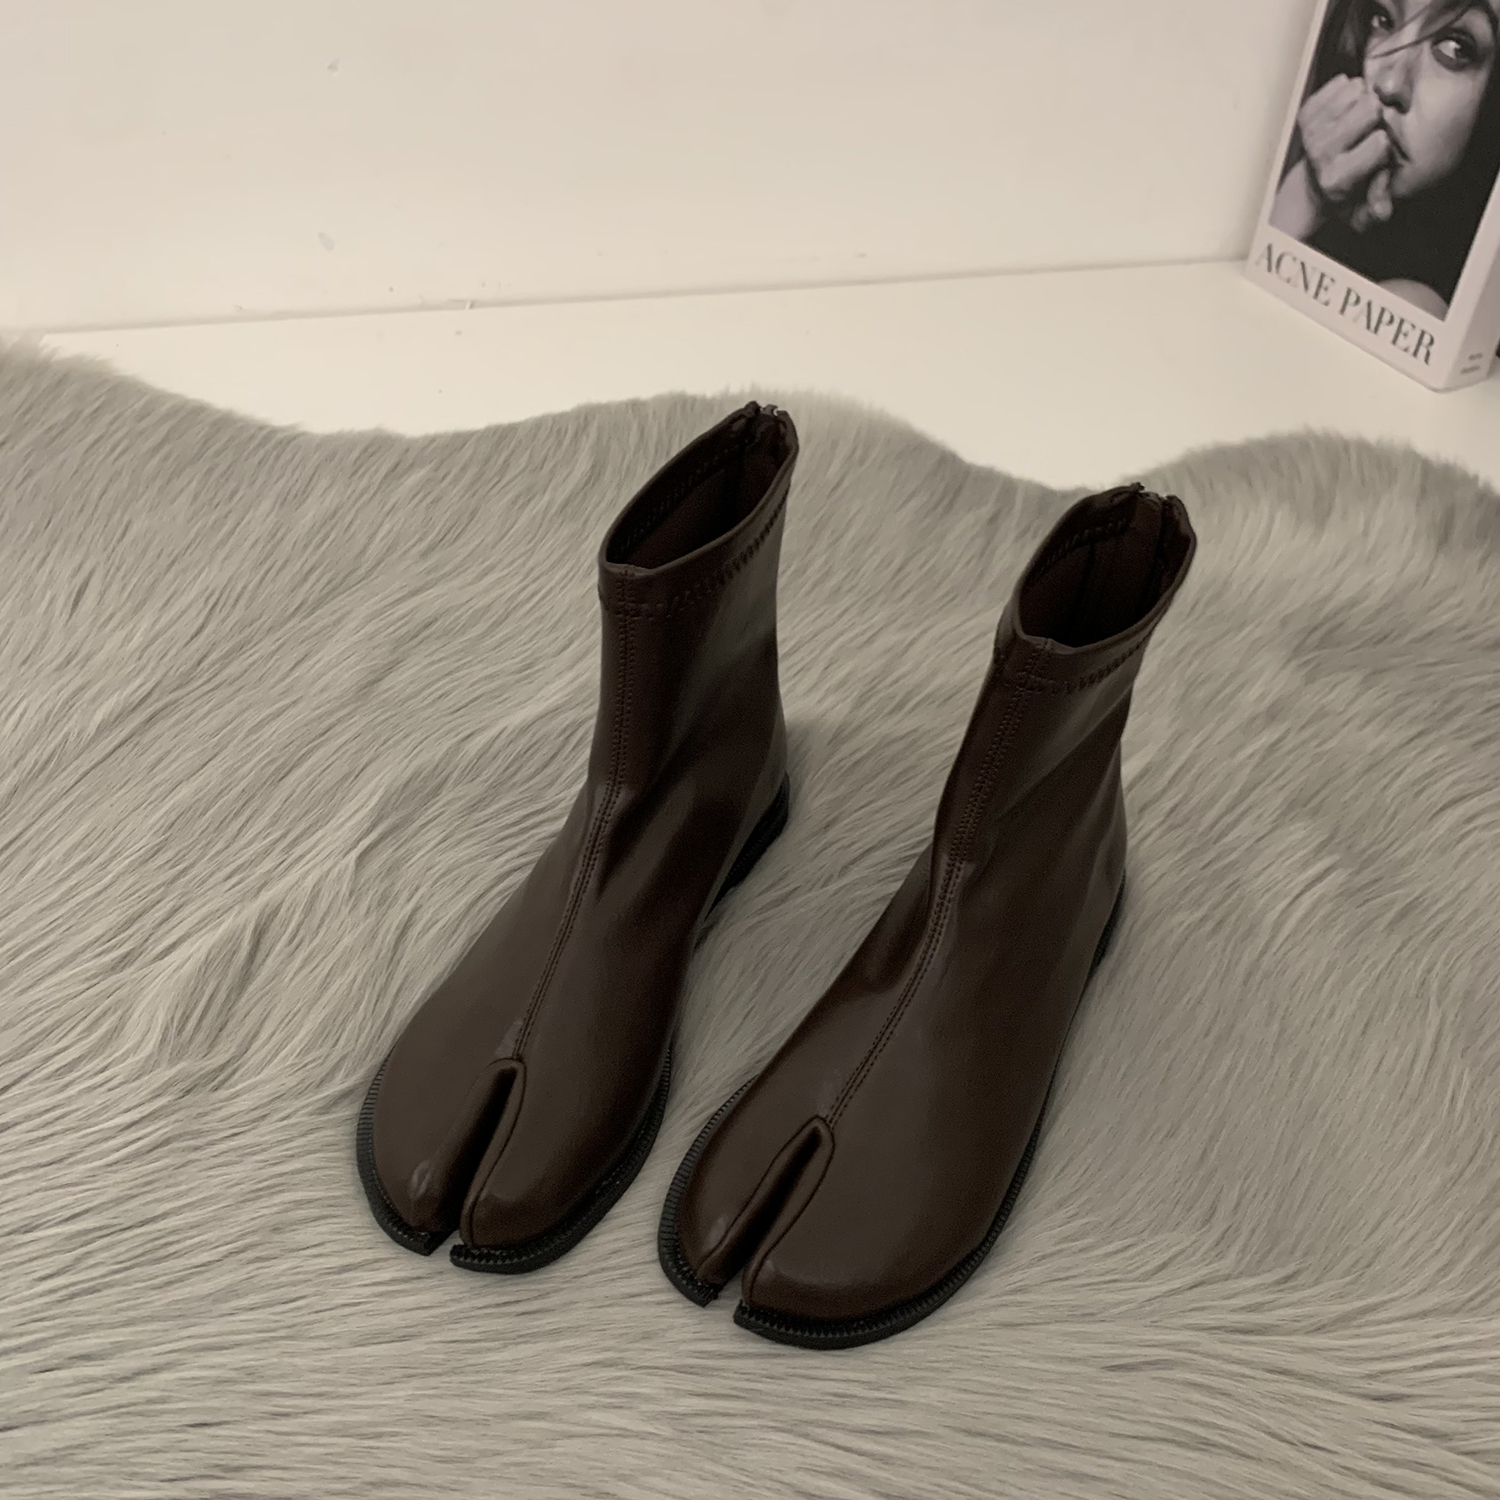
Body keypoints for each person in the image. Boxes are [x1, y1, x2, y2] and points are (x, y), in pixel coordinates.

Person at [1270, 0, 1500, 317]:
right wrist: (1306, 194)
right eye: (1383, 20)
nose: (1389, 84)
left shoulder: (1415, 302)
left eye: (1455, 48)